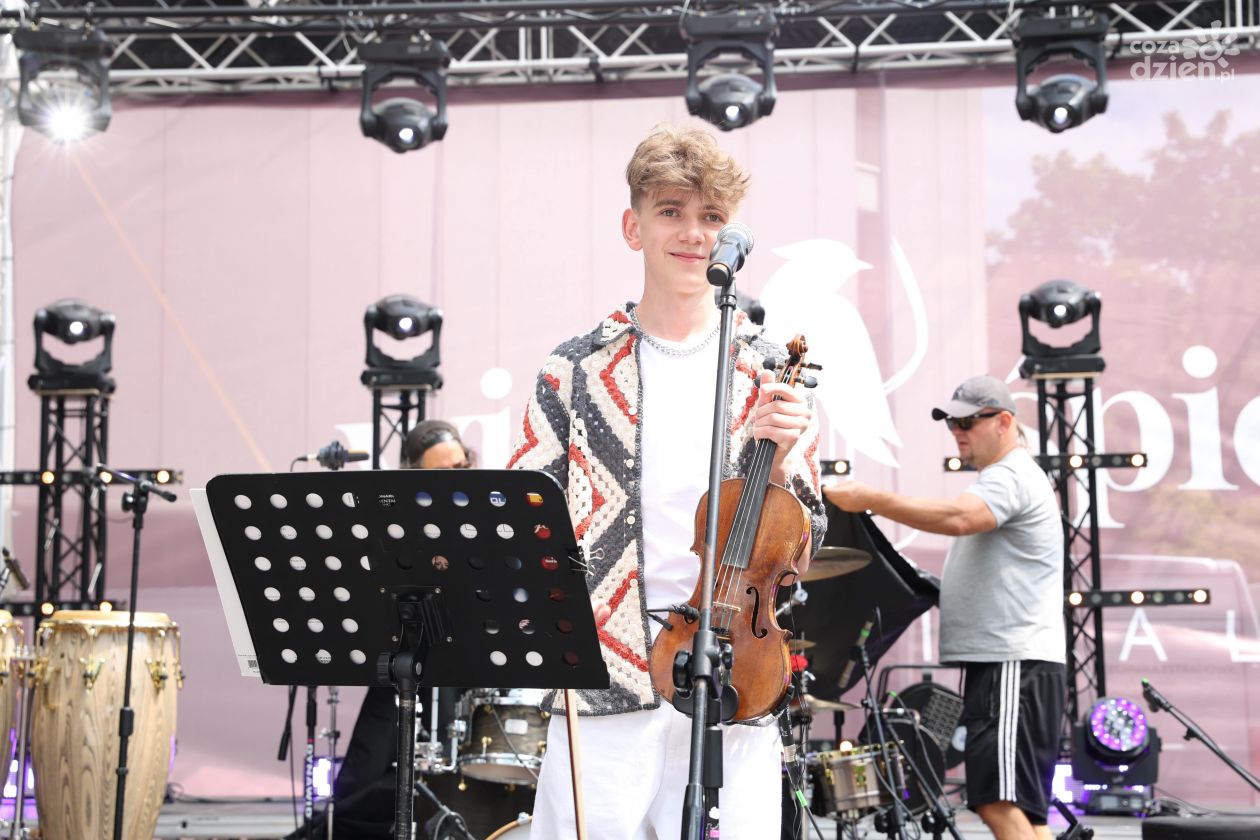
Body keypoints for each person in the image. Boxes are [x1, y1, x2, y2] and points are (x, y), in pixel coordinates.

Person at [507, 123, 828, 840]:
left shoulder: (770, 371)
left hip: (737, 668)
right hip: (604, 671)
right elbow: (524, 520)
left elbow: (803, 548)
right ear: (634, 227)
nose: (693, 233)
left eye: (711, 215)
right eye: (671, 211)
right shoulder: (573, 370)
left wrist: (781, 462)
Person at [823, 375, 1065, 840]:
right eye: (952, 423)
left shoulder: (1010, 475)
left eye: (968, 422)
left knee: (997, 802)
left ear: (1004, 422)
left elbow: (960, 517)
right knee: (1027, 814)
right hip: (1015, 662)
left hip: (1012, 662)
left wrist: (870, 499)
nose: (957, 431)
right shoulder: (1013, 476)